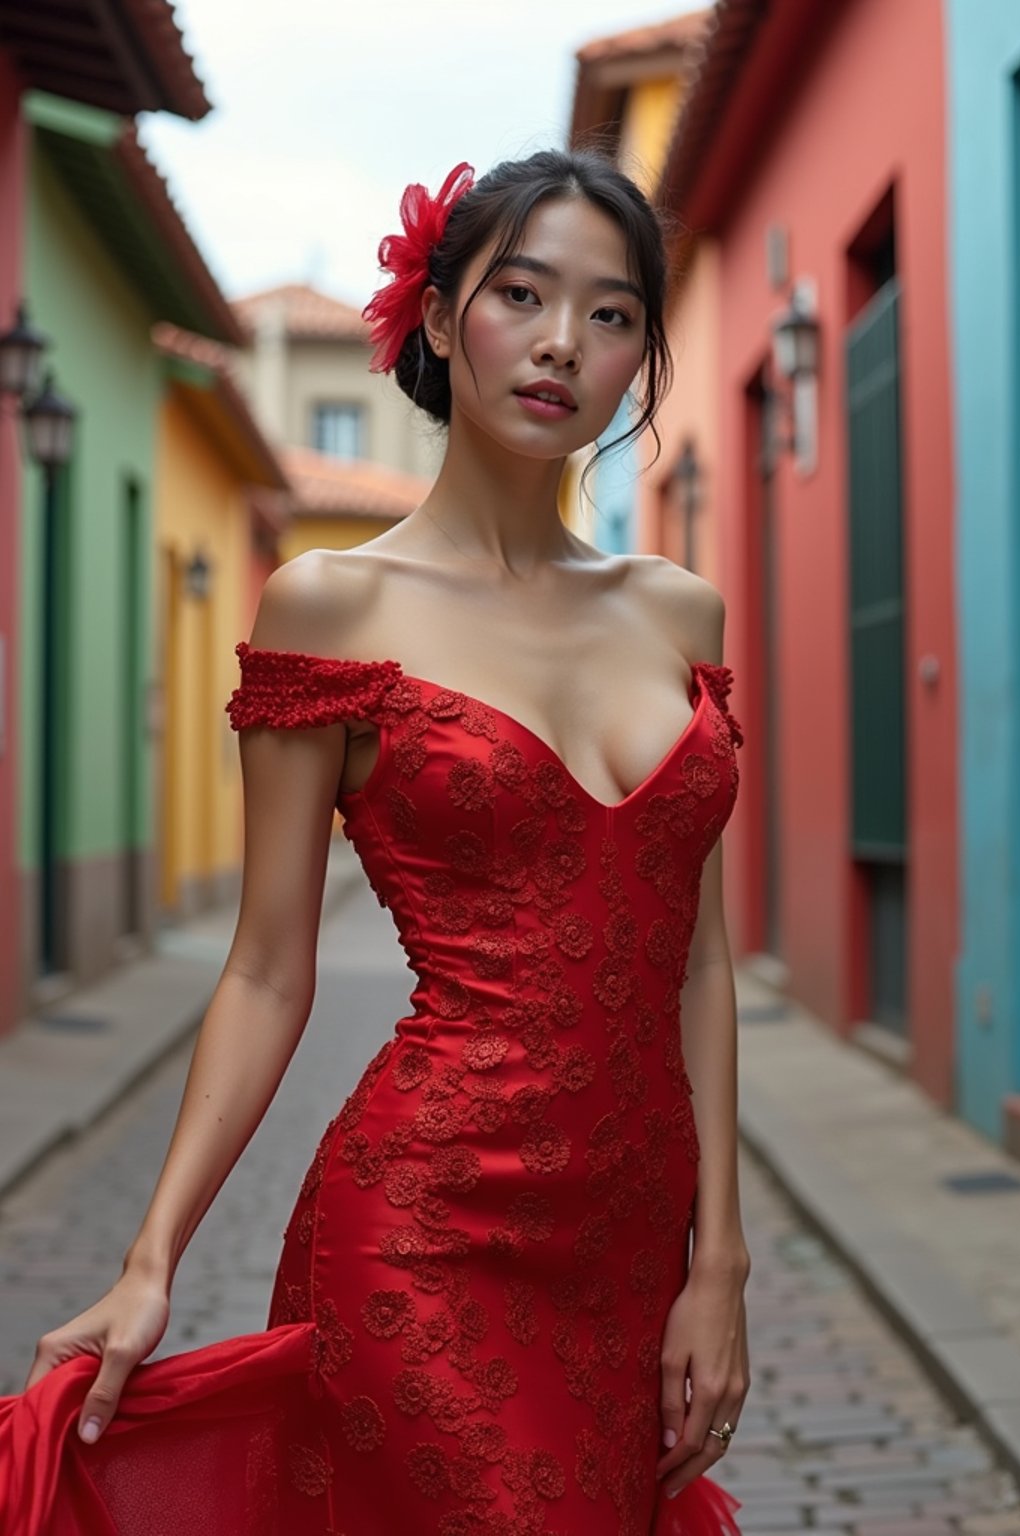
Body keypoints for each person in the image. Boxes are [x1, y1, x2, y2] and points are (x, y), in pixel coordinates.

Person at [0, 148, 750, 1536]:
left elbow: (695, 962)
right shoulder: (330, 607)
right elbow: (267, 971)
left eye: (611, 313)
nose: (560, 345)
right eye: (522, 293)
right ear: (443, 312)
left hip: (636, 1253)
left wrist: (723, 1264)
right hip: (424, 1235)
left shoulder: (681, 616)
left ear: (643, 352)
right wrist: (152, 1258)